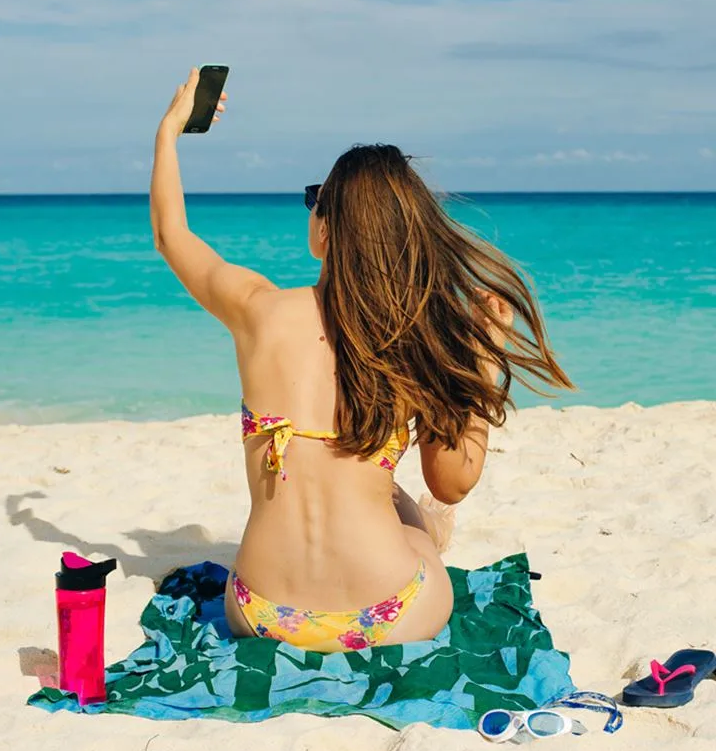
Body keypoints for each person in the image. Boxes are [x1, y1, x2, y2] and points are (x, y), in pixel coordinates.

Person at [150, 68, 575, 652]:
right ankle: (423, 535)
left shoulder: (259, 311)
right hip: (387, 617)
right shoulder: (420, 335)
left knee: (383, 492)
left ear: (327, 226)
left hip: (260, 613)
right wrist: (483, 353)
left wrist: (169, 131)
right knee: (417, 517)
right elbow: (453, 482)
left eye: (313, 200)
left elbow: (172, 236)